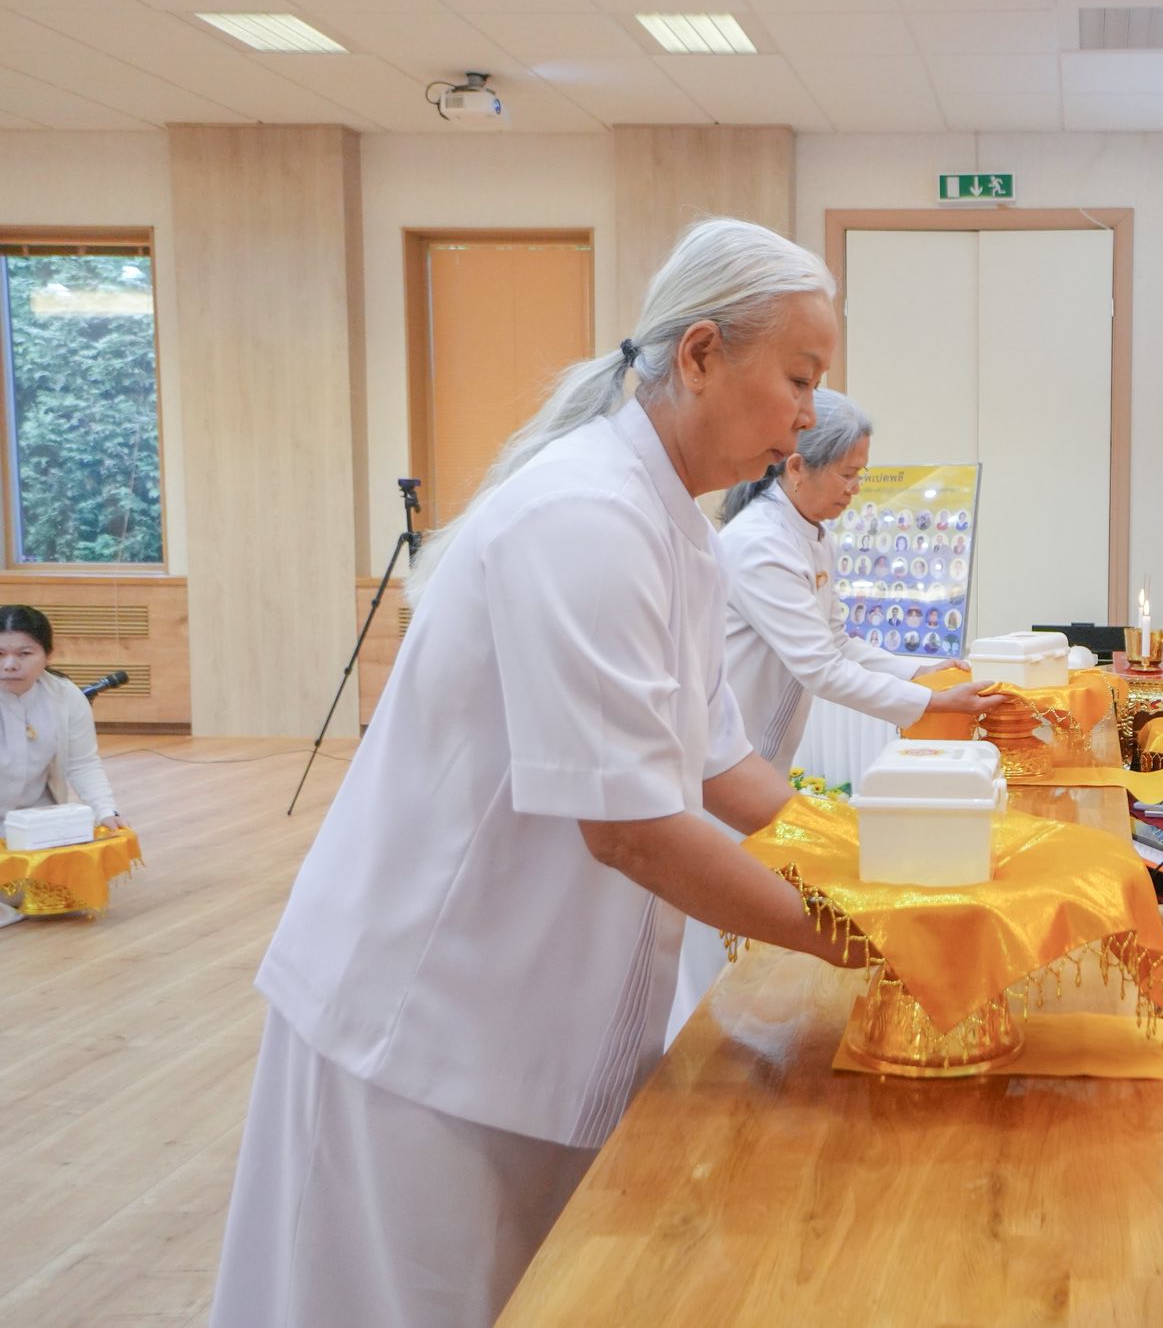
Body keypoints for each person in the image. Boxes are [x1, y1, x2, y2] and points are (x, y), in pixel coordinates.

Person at [210, 219, 872, 1328]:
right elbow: (630, 829)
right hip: (427, 1018)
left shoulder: (679, 535)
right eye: (799, 378)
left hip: (527, 1009)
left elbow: (723, 770)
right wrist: (865, 936)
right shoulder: (585, 514)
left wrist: (884, 870)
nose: (809, 415)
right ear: (701, 354)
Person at [717, 388, 998, 774]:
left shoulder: (815, 536)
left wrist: (917, 672)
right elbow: (822, 669)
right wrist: (932, 701)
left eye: (859, 475)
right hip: (726, 757)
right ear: (796, 468)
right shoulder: (759, 544)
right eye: (847, 475)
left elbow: (837, 643)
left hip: (764, 755)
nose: (856, 488)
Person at [0, 604, 127, 927]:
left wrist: (105, 811)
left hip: (35, 818)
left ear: (48, 654)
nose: (10, 665)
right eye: (0, 654)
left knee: (63, 892)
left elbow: (83, 762)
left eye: (25, 653)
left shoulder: (66, 696)